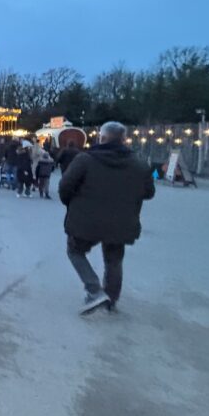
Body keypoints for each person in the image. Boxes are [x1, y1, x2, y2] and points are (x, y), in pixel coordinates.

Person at [59, 121, 156, 315]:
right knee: (114, 259)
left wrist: (73, 203)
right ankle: (111, 300)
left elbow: (65, 187)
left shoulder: (85, 160)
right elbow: (149, 192)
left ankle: (94, 289)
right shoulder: (138, 164)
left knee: (75, 251)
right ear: (124, 140)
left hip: (86, 219)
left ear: (101, 138)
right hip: (121, 221)